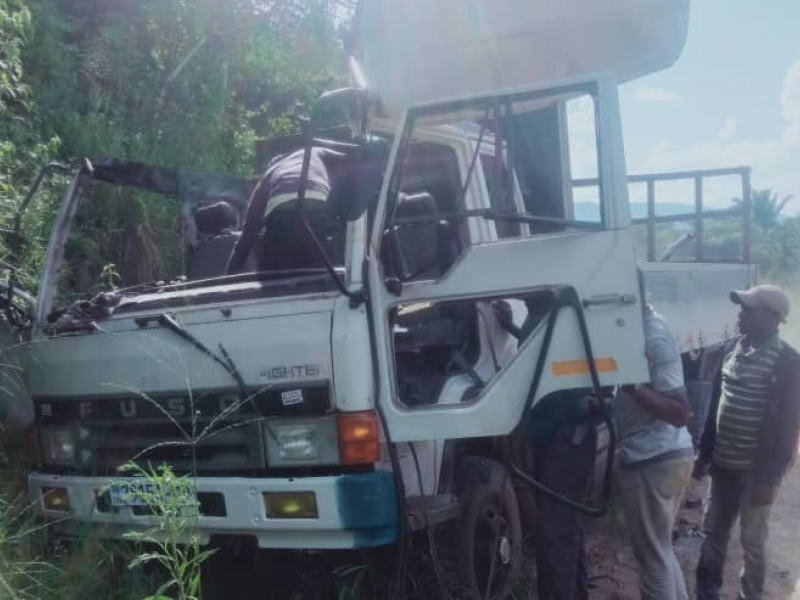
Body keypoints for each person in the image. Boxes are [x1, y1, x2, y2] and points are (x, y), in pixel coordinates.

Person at [694, 284, 800, 600]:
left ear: (772, 317)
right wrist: (703, 454)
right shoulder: (731, 350)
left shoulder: (789, 362)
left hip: (755, 472)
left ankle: (750, 595)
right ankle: (706, 592)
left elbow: (788, 426)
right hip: (722, 466)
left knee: (752, 541)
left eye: (748, 309)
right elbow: (715, 406)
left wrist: (770, 478)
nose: (741, 314)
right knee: (713, 532)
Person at [494, 294, 598, 600]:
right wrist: (512, 328)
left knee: (555, 537)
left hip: (564, 439)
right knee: (566, 532)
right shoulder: (544, 315)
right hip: (564, 438)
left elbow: (553, 384)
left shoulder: (554, 316)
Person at [616, 302, 694, 600]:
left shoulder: (652, 336)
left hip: (652, 458)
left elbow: (681, 412)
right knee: (661, 550)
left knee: (651, 560)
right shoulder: (649, 325)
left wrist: (631, 386)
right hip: (669, 454)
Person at [225, 146, 346, 275]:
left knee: (275, 274)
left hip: (281, 219)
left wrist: (229, 277)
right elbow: (353, 158)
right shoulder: (312, 152)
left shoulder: (269, 175)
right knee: (333, 266)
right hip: (317, 207)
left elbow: (248, 236)